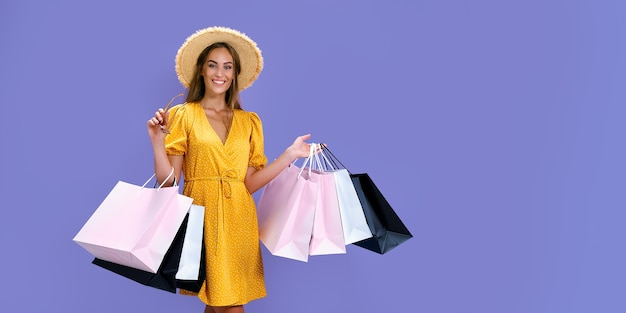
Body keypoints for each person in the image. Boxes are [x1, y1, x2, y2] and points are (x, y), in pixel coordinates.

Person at [146, 26, 315, 313]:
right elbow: (168, 183)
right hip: (202, 217)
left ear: (235, 74)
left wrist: (290, 154)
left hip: (240, 221)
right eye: (212, 65)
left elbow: (248, 182)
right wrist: (156, 142)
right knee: (229, 305)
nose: (219, 73)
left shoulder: (249, 121)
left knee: (220, 303)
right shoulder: (183, 115)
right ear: (201, 70)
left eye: (227, 66)